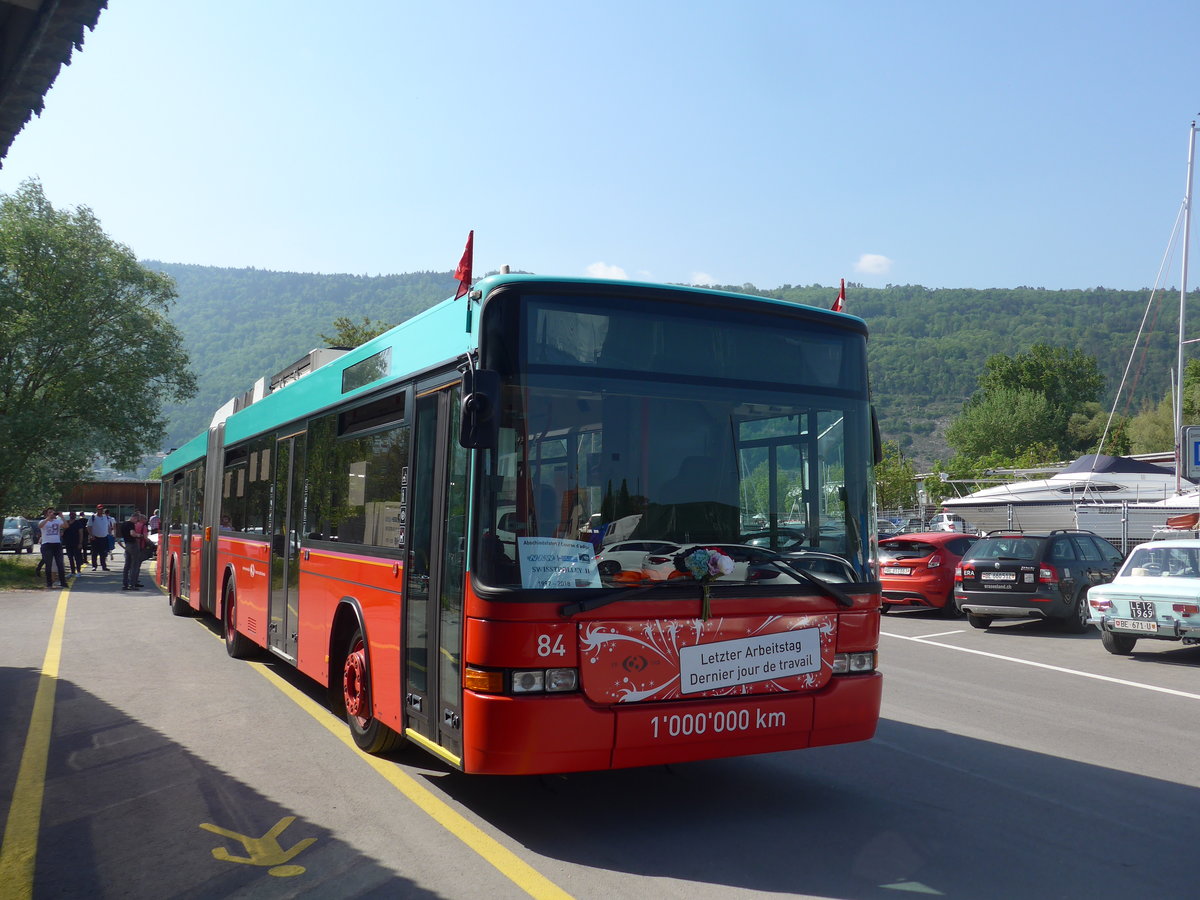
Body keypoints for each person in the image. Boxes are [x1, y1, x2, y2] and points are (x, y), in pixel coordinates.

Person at [38, 507, 68, 590]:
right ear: (46, 514)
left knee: (60, 564)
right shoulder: (43, 521)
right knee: (48, 564)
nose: (52, 514)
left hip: (57, 544)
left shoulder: (57, 521)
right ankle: (49, 583)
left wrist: (62, 516)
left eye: (53, 512)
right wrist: (48, 518)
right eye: (50, 512)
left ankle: (63, 582)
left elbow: (66, 526)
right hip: (47, 545)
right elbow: (40, 526)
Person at [120, 511, 147, 590]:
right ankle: (132, 584)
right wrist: (139, 535)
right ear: (134, 518)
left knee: (127, 565)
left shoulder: (124, 524)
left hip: (127, 544)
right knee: (134, 565)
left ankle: (125, 584)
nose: (137, 522)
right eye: (137, 520)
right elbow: (132, 533)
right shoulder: (131, 524)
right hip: (133, 544)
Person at [89, 505, 115, 570]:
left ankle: (104, 566)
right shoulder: (93, 517)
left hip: (104, 537)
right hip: (95, 538)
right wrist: (91, 535)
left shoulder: (105, 517)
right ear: (97, 510)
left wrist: (110, 534)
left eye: (101, 509)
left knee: (103, 553)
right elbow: (89, 527)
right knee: (94, 553)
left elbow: (108, 526)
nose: (100, 510)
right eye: (99, 509)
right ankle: (94, 566)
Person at [62, 511, 88, 576]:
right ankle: (72, 571)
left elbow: (81, 533)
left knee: (77, 557)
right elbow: (63, 531)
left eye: (73, 515)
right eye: (71, 514)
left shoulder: (78, 523)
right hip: (68, 543)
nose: (72, 516)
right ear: (69, 515)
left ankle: (78, 571)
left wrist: (80, 543)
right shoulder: (67, 523)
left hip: (76, 543)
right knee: (70, 558)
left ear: (75, 516)